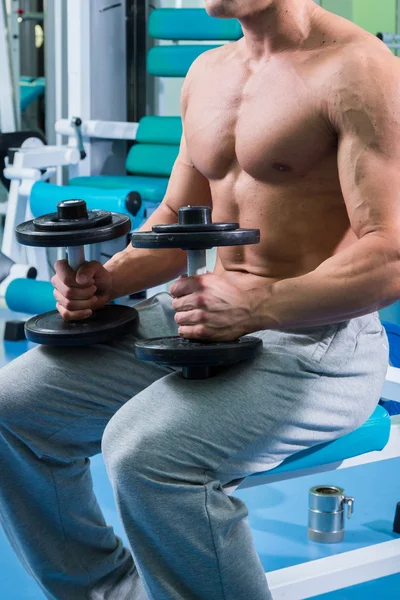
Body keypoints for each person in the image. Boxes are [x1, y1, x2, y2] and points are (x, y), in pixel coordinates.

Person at [0, 1, 397, 598]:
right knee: (15, 411)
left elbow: (390, 252)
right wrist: (111, 277)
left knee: (145, 454)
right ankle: (107, 590)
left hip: (316, 340)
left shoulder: (359, 70)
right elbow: (177, 220)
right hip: (198, 315)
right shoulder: (209, 72)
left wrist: (260, 305)